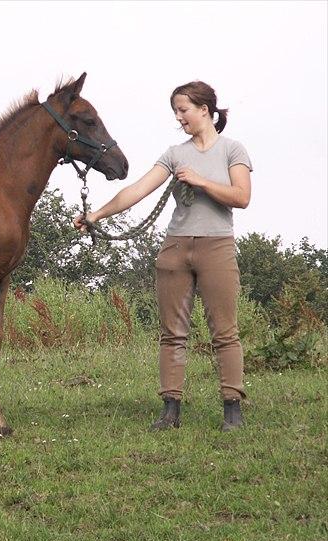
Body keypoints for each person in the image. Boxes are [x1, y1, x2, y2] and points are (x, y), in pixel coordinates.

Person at [74, 81, 252, 432]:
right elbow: (137, 191)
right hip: (175, 247)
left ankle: (232, 408)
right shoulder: (174, 153)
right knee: (172, 333)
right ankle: (170, 410)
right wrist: (95, 215)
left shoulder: (233, 150)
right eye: (175, 111)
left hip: (216, 245)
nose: (179, 117)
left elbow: (241, 197)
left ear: (205, 110)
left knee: (224, 332)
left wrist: (200, 182)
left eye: (183, 109)